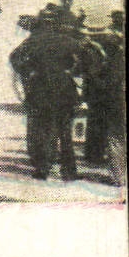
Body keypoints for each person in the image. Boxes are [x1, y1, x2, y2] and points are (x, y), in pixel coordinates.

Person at [10, 11, 99, 181]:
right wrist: (75, 71)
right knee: (65, 132)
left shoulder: (33, 41)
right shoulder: (67, 41)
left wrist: (29, 71)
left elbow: (14, 57)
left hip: (40, 89)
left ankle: (43, 169)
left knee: (42, 130)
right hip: (64, 89)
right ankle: (69, 171)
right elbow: (88, 57)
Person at [81, 10, 123, 169]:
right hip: (111, 91)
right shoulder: (115, 47)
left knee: (94, 122)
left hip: (94, 91)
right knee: (111, 126)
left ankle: (93, 155)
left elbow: (82, 70)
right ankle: (107, 157)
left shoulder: (87, 47)